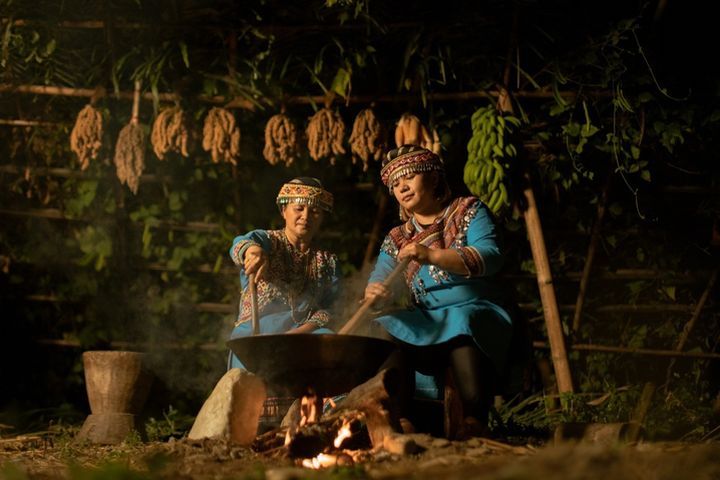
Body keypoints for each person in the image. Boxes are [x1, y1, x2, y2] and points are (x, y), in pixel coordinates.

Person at [364, 145, 513, 437]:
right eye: (395, 183)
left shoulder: (469, 210)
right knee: (386, 326)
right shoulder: (398, 237)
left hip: (476, 310)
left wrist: (431, 256)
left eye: (408, 176)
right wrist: (375, 290)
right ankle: (402, 419)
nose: (402, 187)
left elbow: (491, 255)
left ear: (432, 178)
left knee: (462, 320)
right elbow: (381, 275)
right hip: (427, 321)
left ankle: (474, 421)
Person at [228, 177, 339, 369]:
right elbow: (242, 243)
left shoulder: (328, 262)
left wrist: (297, 335)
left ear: (321, 218)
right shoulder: (268, 241)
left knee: (329, 339)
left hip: (302, 338)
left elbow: (332, 308)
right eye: (299, 209)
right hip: (258, 335)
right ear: (283, 211)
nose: (305, 216)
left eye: (314, 211)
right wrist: (252, 251)